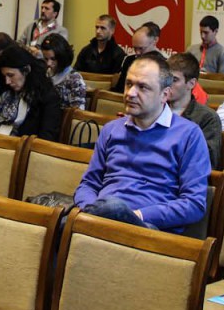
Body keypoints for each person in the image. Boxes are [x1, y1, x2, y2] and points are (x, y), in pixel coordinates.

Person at [74, 53, 211, 233]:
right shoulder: (111, 130)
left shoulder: (189, 135)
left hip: (148, 229)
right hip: (97, 221)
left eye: (143, 87)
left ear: (164, 95)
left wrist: (137, 215)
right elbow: (88, 185)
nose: (130, 93)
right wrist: (90, 212)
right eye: (128, 84)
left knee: (115, 207)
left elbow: (194, 204)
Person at [0, 45, 63, 139]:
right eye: (4, 76)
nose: (7, 81)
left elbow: (46, 139)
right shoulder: (6, 93)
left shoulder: (48, 97)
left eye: (11, 75)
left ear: (26, 70)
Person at [166, 52, 223, 167]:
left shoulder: (208, 118)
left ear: (191, 84)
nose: (167, 84)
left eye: (175, 80)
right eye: (166, 78)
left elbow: (208, 161)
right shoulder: (155, 109)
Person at [40, 33, 86, 110]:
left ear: (62, 57)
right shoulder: (46, 73)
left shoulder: (74, 79)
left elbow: (78, 112)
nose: (48, 63)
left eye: (53, 59)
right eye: (46, 59)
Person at [112, 22, 160, 93]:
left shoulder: (161, 64)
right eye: (135, 48)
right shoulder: (129, 60)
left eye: (141, 48)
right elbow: (119, 89)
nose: (137, 52)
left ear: (155, 41)